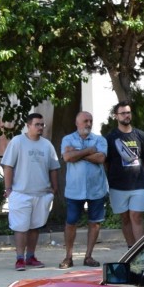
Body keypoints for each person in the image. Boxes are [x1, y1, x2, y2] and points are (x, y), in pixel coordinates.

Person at [1, 112, 60, 271]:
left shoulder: (47, 145)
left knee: (35, 227)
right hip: (20, 193)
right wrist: (8, 189)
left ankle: (30, 256)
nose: (40, 127)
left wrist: (54, 188)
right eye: (37, 124)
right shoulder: (17, 142)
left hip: (41, 193)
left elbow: (54, 168)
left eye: (42, 125)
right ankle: (19, 259)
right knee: (20, 227)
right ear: (28, 126)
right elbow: (8, 166)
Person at [59, 111, 108, 268]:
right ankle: (68, 257)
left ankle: (88, 256)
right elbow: (67, 158)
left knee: (94, 223)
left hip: (96, 189)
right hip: (75, 190)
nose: (88, 123)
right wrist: (88, 151)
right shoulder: (67, 139)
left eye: (90, 120)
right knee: (71, 223)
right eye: (85, 120)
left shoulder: (100, 140)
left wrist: (76, 153)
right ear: (77, 122)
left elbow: (101, 158)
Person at [106, 102, 144, 248]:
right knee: (125, 218)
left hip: (139, 185)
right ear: (116, 116)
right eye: (123, 113)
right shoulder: (110, 137)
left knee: (136, 216)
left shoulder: (141, 135)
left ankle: (140, 252)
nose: (127, 115)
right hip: (118, 186)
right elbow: (105, 162)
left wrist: (139, 174)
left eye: (128, 112)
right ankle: (131, 249)